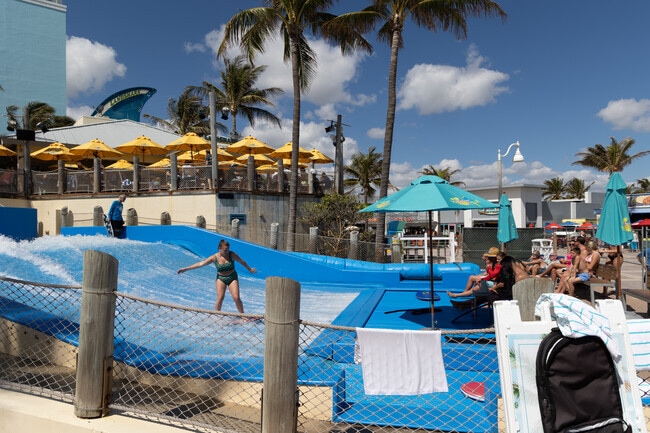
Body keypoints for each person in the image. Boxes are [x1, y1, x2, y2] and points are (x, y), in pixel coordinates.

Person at [177, 239, 257, 313]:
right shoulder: (214, 257)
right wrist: (186, 269)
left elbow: (241, 261)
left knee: (236, 297)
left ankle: (243, 316)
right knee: (220, 298)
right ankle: (216, 316)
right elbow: (201, 264)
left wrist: (249, 269)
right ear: (219, 248)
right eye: (225, 250)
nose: (227, 252)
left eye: (228, 249)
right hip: (221, 278)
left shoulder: (232, 255)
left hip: (232, 277)